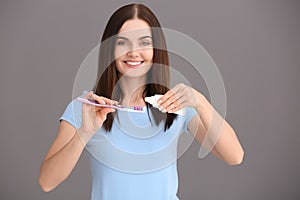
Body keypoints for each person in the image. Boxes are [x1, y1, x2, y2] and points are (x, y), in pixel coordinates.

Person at [38, 3, 244, 200]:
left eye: (144, 42)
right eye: (122, 42)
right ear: (110, 48)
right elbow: (47, 182)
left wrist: (199, 101)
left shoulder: (174, 107)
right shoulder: (86, 108)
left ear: (156, 49)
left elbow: (234, 156)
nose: (133, 52)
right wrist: (84, 133)